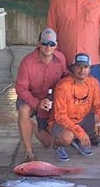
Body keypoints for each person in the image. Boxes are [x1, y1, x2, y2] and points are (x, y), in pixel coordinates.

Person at [48, 53, 100, 161]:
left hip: (83, 119)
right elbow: (60, 116)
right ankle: (57, 145)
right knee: (67, 137)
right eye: (78, 66)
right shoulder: (63, 86)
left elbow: (99, 106)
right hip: (62, 123)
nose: (82, 70)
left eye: (85, 67)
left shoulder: (93, 83)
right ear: (73, 68)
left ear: (89, 69)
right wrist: (80, 132)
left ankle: (78, 140)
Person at [15, 27, 67, 160]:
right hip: (31, 98)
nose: (48, 47)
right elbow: (21, 89)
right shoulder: (27, 62)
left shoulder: (61, 59)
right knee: (23, 110)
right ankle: (29, 151)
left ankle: (31, 126)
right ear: (38, 44)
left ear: (56, 45)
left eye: (51, 44)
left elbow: (66, 77)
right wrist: (37, 104)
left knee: (47, 142)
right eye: (44, 43)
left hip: (52, 101)